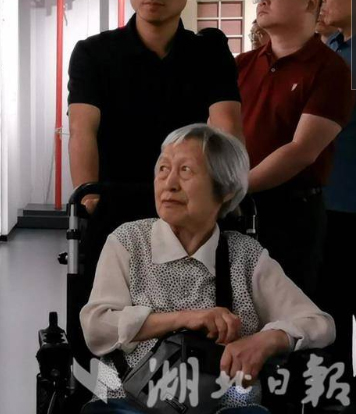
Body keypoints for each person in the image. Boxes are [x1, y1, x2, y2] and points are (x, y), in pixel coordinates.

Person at [80, 124, 335, 414]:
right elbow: (96, 328)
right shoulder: (129, 241)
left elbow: (319, 323)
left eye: (185, 171)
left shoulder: (245, 256)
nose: (169, 183)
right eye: (163, 169)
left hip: (225, 406)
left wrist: (266, 340)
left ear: (225, 190)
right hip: (130, 401)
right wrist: (186, 318)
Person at [67, 0, 243, 256]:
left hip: (191, 205)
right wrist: (89, 195)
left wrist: (227, 192)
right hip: (115, 201)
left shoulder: (210, 53)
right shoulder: (94, 53)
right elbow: (81, 128)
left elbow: (227, 126)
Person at [236, 0, 354, 297]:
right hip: (236, 207)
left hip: (293, 211)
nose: (263, 0)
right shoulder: (242, 65)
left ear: (310, 2)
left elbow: (302, 150)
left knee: (293, 309)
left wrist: (236, 187)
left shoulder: (331, 69)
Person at [317, 0, 356, 378]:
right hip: (329, 199)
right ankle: (335, 391)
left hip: (351, 200)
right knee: (331, 305)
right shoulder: (333, 48)